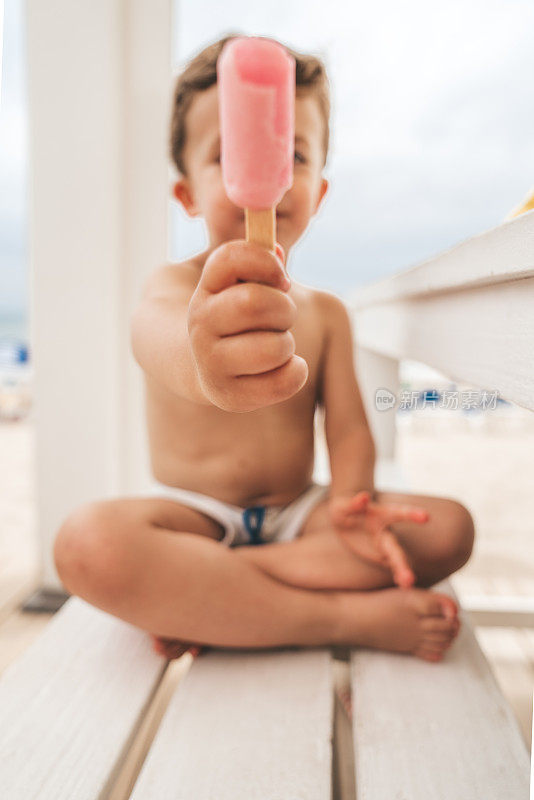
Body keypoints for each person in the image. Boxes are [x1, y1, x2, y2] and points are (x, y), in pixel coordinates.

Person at [53, 34, 474, 664]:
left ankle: (217, 603)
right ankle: (339, 617)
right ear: (187, 195)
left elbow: (351, 430)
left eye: (297, 156)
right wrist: (201, 360)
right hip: (193, 518)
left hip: (298, 516)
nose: (277, 179)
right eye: (225, 157)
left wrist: (352, 503)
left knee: (449, 530)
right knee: (87, 544)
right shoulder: (174, 290)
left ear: (320, 192)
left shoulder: (326, 313)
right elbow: (155, 333)